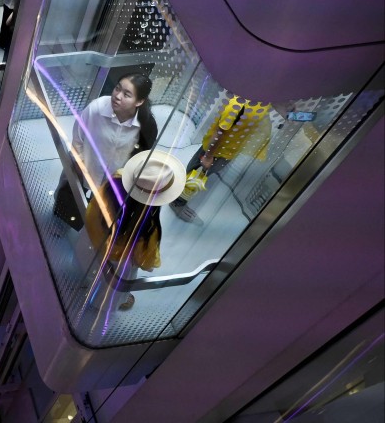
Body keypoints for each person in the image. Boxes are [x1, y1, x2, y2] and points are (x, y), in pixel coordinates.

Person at [53, 72, 158, 230]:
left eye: (126, 94)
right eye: (117, 88)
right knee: (70, 199)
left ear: (139, 101)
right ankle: (61, 224)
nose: (117, 96)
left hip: (113, 178)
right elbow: (78, 138)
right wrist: (79, 162)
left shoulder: (147, 126)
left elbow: (140, 156)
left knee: (101, 212)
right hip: (84, 167)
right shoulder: (97, 108)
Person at [85, 150, 185, 310]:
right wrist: (149, 264)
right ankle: (101, 305)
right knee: (109, 288)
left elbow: (92, 209)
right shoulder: (145, 223)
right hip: (116, 261)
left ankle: (85, 280)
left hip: (92, 239)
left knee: (88, 267)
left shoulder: (115, 179)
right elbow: (146, 259)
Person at [169, 95, 271, 225]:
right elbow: (219, 133)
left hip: (229, 151)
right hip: (217, 151)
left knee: (200, 172)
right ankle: (177, 202)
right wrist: (208, 156)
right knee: (198, 174)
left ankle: (179, 195)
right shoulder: (237, 105)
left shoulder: (262, 100)